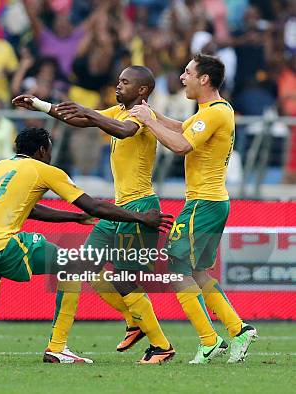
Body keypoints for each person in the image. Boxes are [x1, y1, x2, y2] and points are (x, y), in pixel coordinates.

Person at [0, 126, 173, 363]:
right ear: (41, 150)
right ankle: (57, 348)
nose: (50, 154)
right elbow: (94, 206)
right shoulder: (44, 170)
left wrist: (75, 218)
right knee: (72, 267)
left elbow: (30, 208)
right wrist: (141, 217)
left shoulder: (0, 167)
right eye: (49, 149)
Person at [12, 66, 175, 364]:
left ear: (142, 90)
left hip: (140, 206)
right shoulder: (117, 110)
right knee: (83, 267)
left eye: (125, 82)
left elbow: (123, 131)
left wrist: (91, 111)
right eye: (118, 79)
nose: (118, 84)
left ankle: (161, 346)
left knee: (125, 279)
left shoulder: (141, 114)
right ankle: (133, 320)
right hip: (117, 208)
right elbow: (78, 118)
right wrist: (40, 105)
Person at [129, 53, 258, 364]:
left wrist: (147, 121)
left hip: (202, 203)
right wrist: (152, 113)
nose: (182, 78)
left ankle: (209, 340)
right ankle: (237, 329)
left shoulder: (214, 113)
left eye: (188, 73)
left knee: (176, 270)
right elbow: (182, 127)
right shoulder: (214, 111)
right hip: (213, 201)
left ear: (204, 79)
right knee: (198, 272)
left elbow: (181, 145)